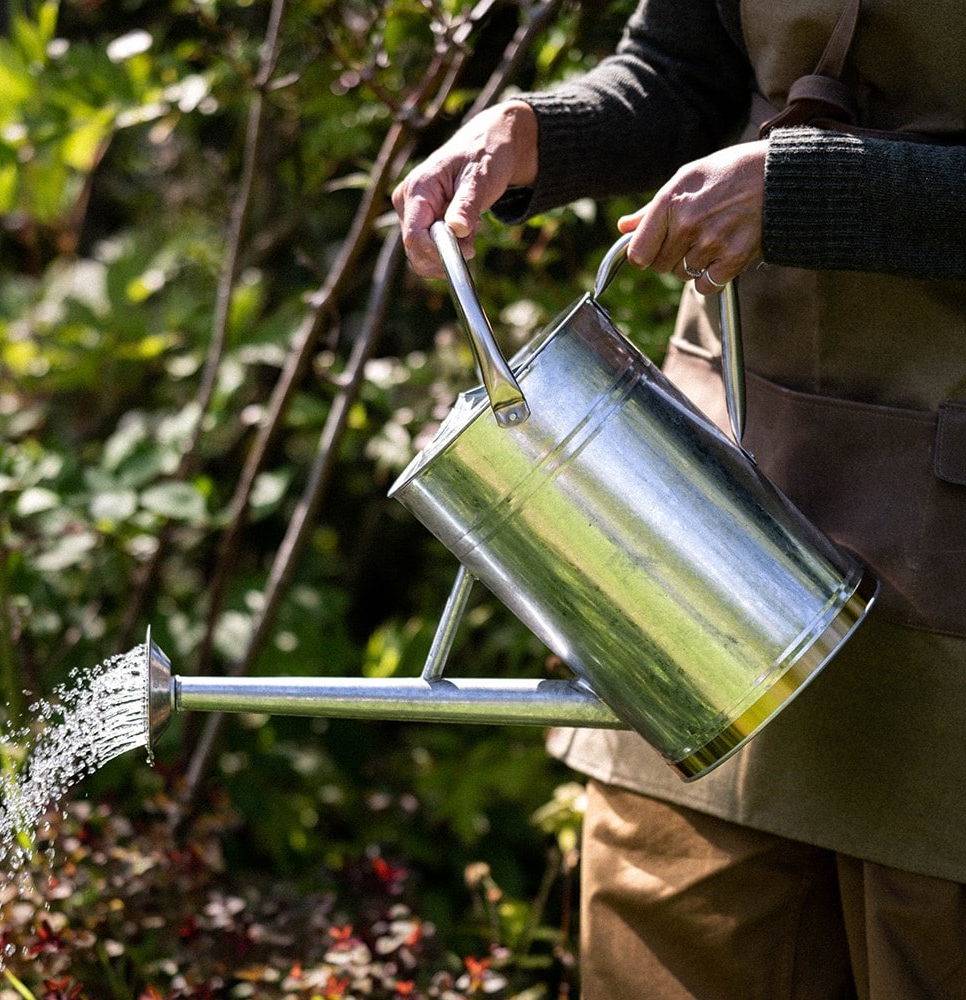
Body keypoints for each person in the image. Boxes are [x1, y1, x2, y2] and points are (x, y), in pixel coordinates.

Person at [393, 1, 966, 997]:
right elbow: (679, 66)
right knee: (660, 936)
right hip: (715, 494)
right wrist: (532, 135)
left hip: (948, 567)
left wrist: (811, 190)